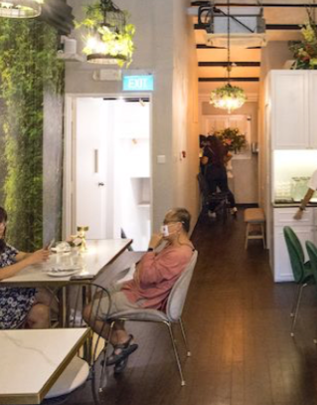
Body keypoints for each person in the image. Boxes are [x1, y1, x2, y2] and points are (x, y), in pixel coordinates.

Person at [85, 208, 196, 370]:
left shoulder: (178, 254)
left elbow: (146, 276)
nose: (163, 226)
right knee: (101, 293)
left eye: (166, 223)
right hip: (140, 289)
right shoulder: (177, 246)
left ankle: (120, 342)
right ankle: (122, 342)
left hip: (143, 298)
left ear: (178, 226)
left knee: (89, 312)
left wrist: (150, 249)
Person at [201, 136, 238, 217]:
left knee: (213, 193)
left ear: (209, 141)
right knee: (225, 190)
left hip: (212, 173)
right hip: (221, 171)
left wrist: (202, 159)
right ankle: (233, 207)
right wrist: (223, 162)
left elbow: (204, 161)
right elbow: (229, 155)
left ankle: (212, 211)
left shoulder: (207, 149)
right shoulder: (222, 148)